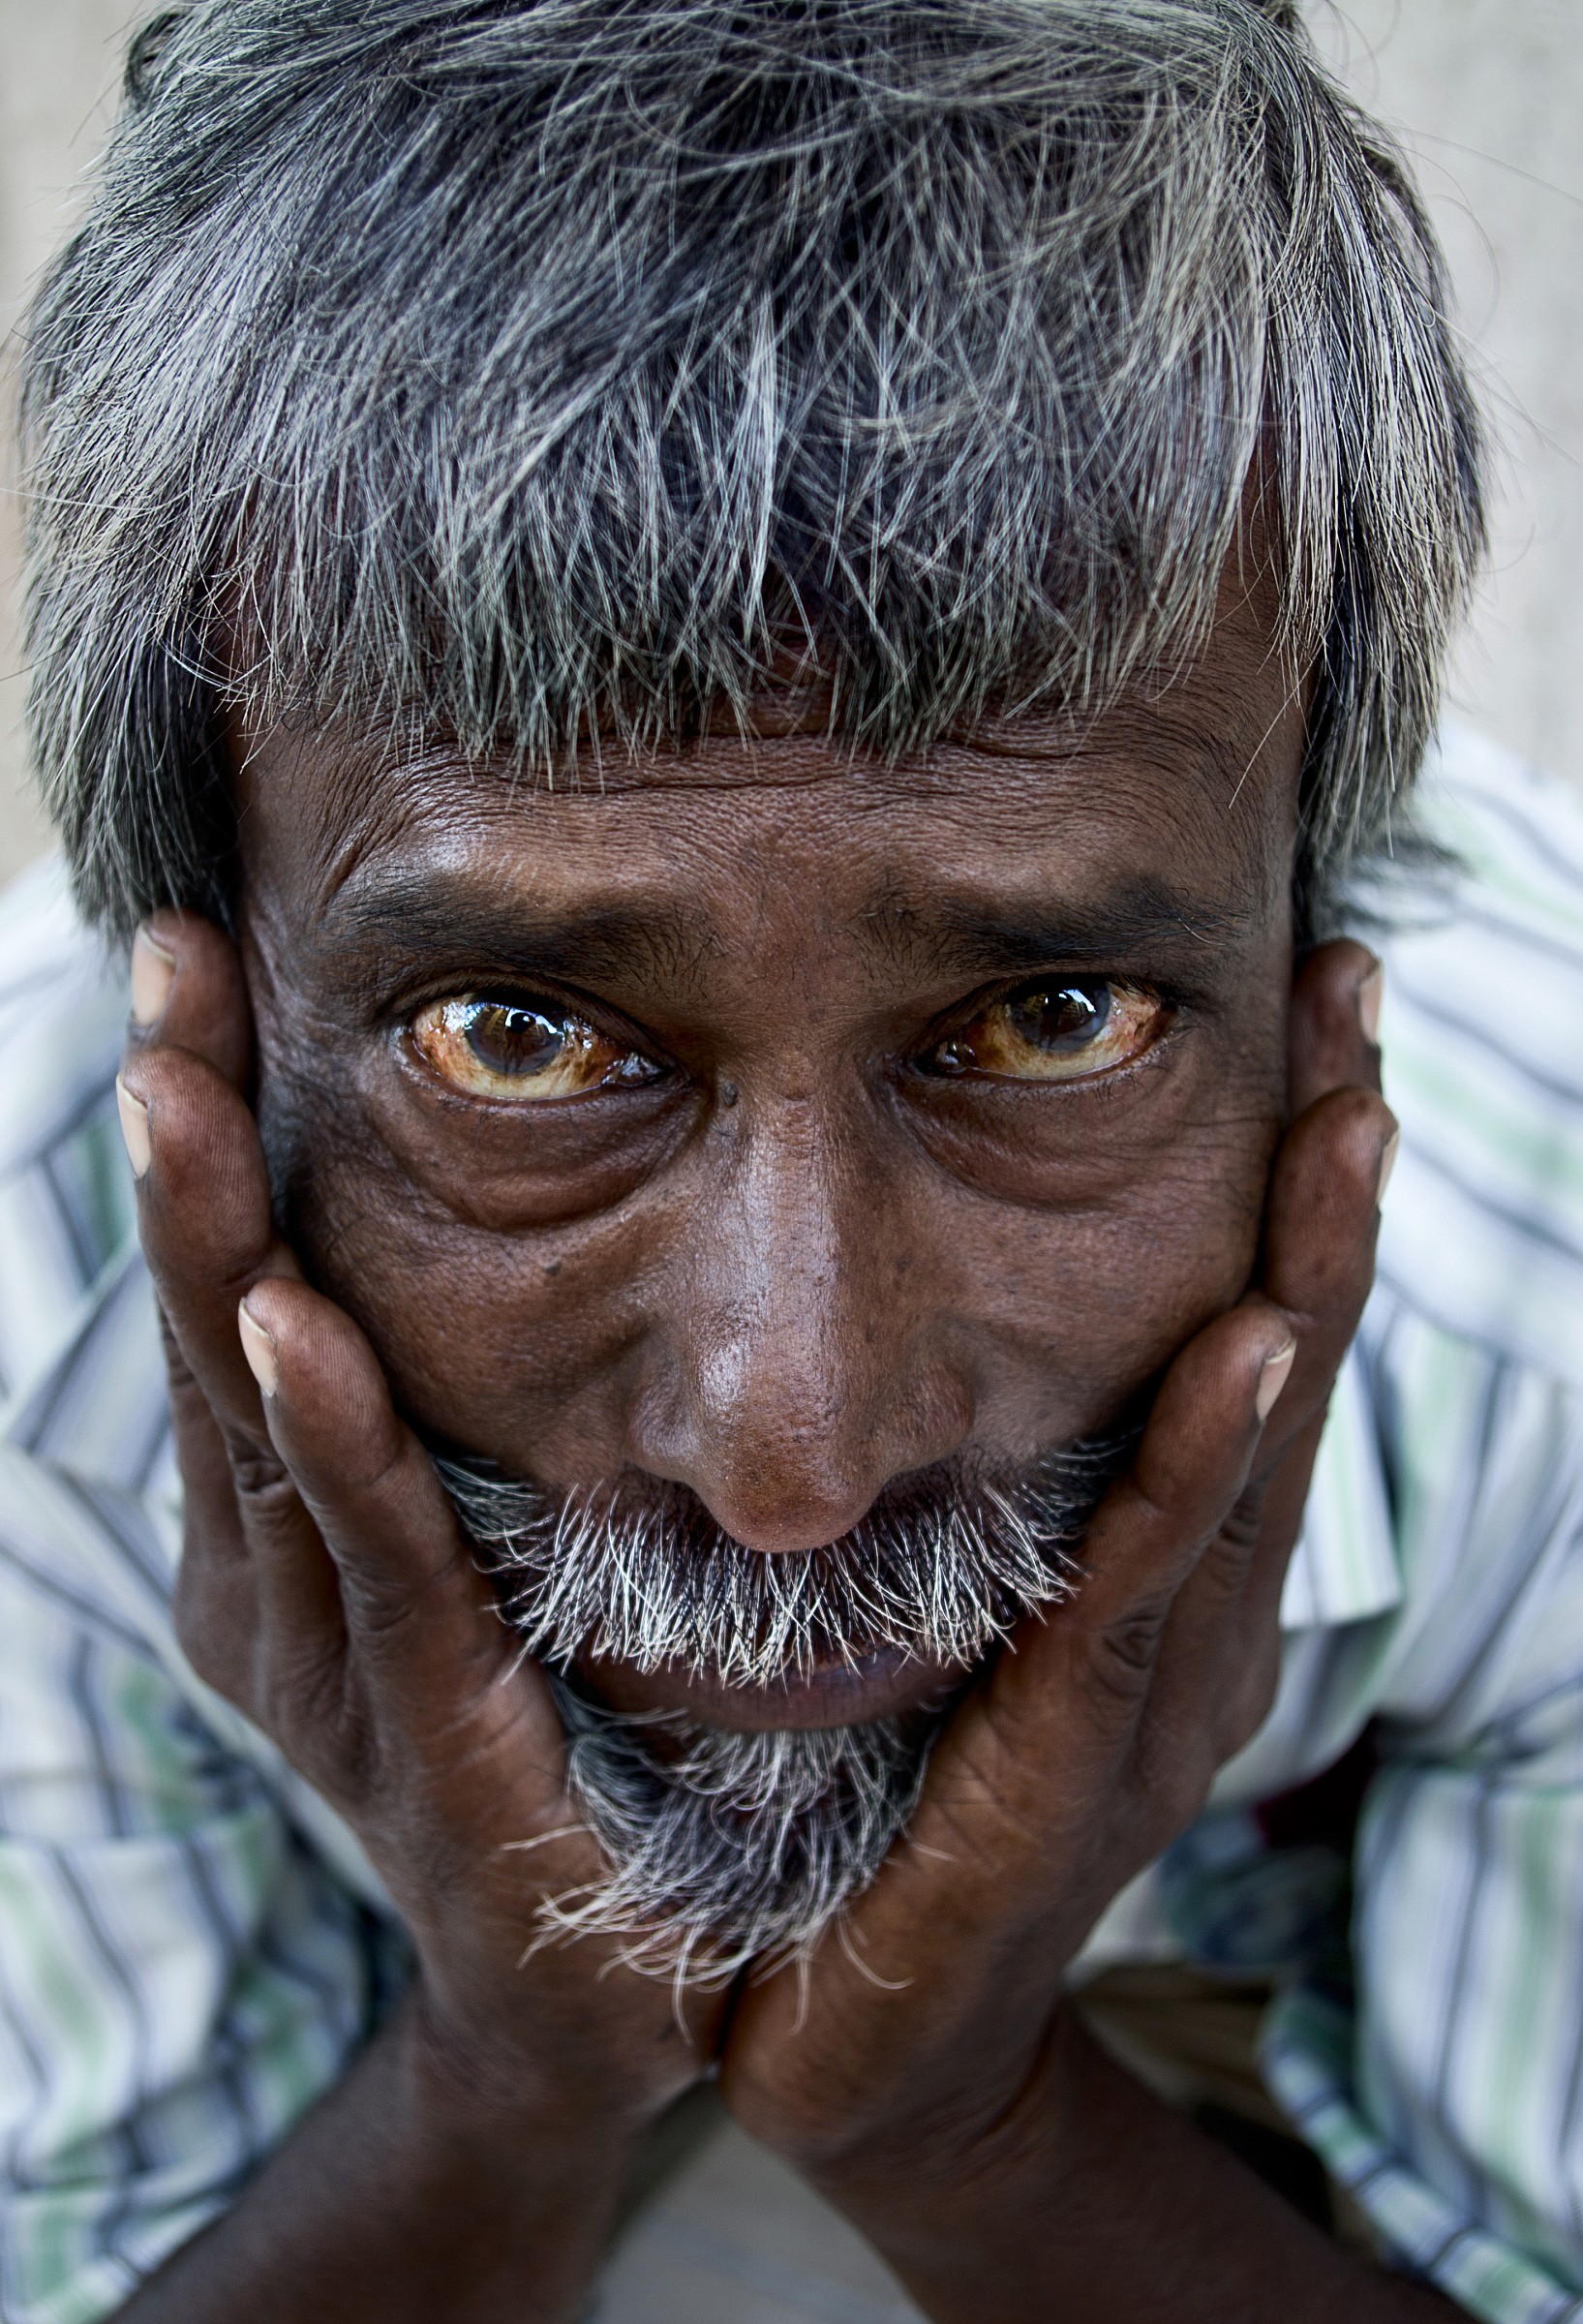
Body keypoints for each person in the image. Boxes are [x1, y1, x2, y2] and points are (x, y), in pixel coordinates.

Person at [4, 0, 1582, 2315]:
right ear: (208, 983)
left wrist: (965, 2126)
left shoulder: (1543, 1281)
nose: (790, 1455)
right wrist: (505, 2077)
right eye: (518, 1040)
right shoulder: (32, 1313)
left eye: (1050, 1024)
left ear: (1322, 947)